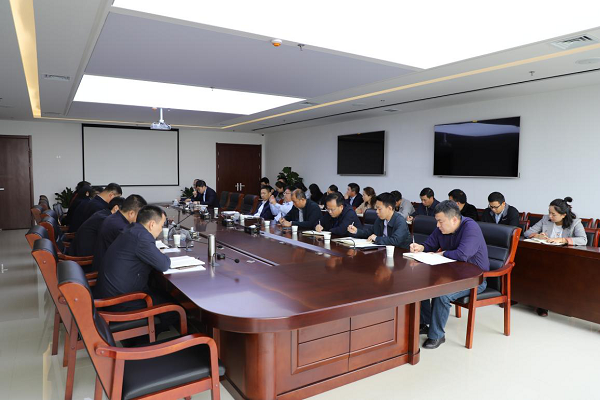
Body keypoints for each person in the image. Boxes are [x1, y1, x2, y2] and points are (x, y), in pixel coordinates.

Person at [409, 200, 489, 349]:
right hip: (451, 275)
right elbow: (430, 244)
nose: (437, 225)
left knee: (442, 294)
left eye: (440, 221)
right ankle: (424, 323)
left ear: (454, 220)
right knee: (421, 284)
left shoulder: (471, 228)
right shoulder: (442, 228)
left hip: (474, 280)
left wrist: (442, 253)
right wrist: (421, 247)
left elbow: (463, 254)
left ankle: (437, 335)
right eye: (437, 221)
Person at [94, 205, 177, 334]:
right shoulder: (142, 238)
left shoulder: (131, 229)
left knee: (162, 294)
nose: (161, 230)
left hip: (109, 293)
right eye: (161, 226)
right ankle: (143, 340)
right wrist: (160, 254)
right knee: (174, 308)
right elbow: (164, 264)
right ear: (152, 224)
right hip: (121, 302)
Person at [523, 197, 587, 317]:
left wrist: (562, 239)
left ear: (563, 215)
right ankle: (540, 304)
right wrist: (537, 236)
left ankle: (552, 304)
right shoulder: (545, 219)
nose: (550, 216)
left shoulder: (575, 222)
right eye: (549, 212)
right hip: (544, 256)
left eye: (553, 214)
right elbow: (527, 233)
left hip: (565, 258)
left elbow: (583, 240)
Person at [92, 194, 147, 272]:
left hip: (104, 262)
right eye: (139, 216)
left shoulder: (115, 217)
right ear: (131, 213)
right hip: (109, 269)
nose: (140, 219)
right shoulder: (121, 227)